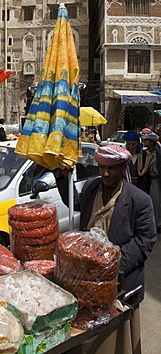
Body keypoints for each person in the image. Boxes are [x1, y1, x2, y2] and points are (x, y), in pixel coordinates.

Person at [57, 144, 157, 353]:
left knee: (114, 341)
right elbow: (75, 203)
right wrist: (62, 176)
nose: (105, 173)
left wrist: (111, 265)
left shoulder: (139, 200)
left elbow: (146, 239)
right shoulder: (91, 188)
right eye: (102, 167)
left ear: (122, 169)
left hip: (120, 282)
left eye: (111, 168)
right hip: (86, 279)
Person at [141, 131, 161, 231]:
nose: (144, 142)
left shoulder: (158, 153)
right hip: (148, 180)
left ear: (152, 142)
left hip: (155, 180)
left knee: (156, 202)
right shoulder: (144, 153)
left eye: (146, 140)